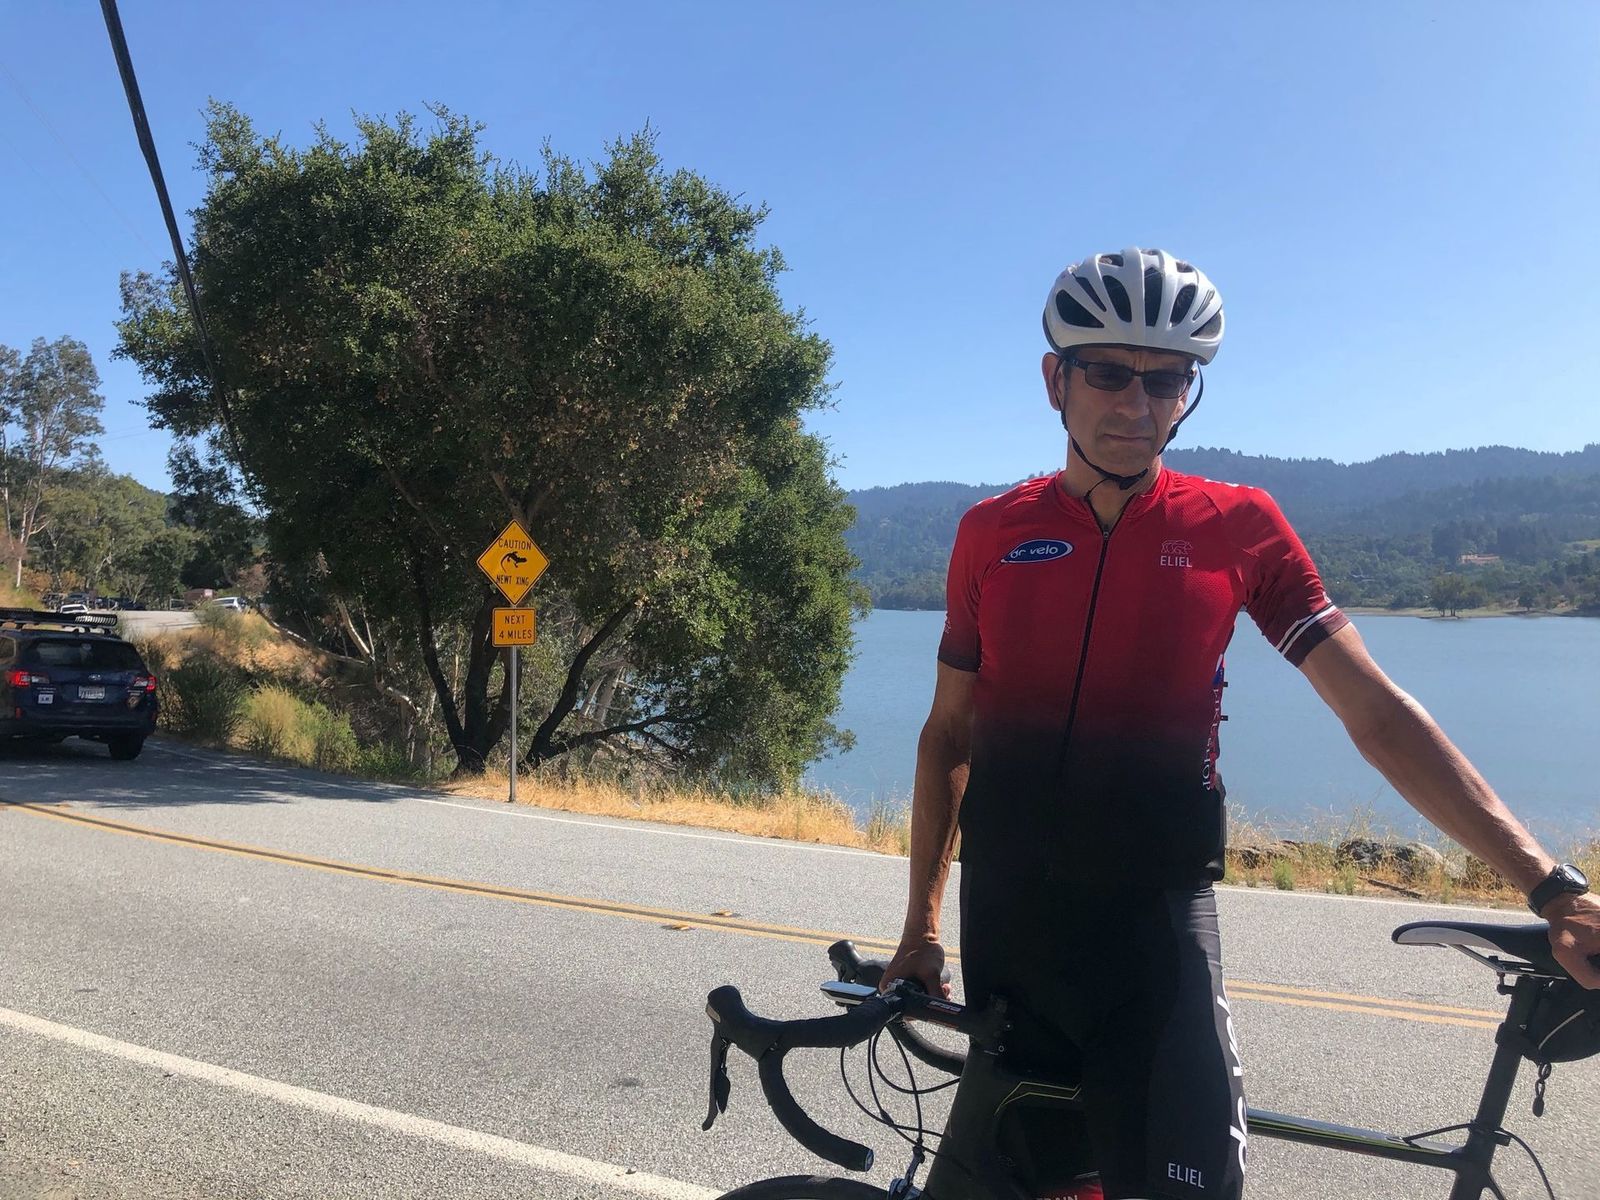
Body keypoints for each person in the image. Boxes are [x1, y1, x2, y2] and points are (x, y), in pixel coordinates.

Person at [880, 247, 1600, 1200]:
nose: (1138, 404)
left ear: (1190, 392)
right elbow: (949, 737)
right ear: (1056, 379)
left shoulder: (1239, 527)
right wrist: (920, 928)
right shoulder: (991, 533)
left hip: (1154, 938)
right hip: (1010, 930)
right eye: (1109, 373)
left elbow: (1377, 713)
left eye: (1167, 379)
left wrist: (1550, 885)